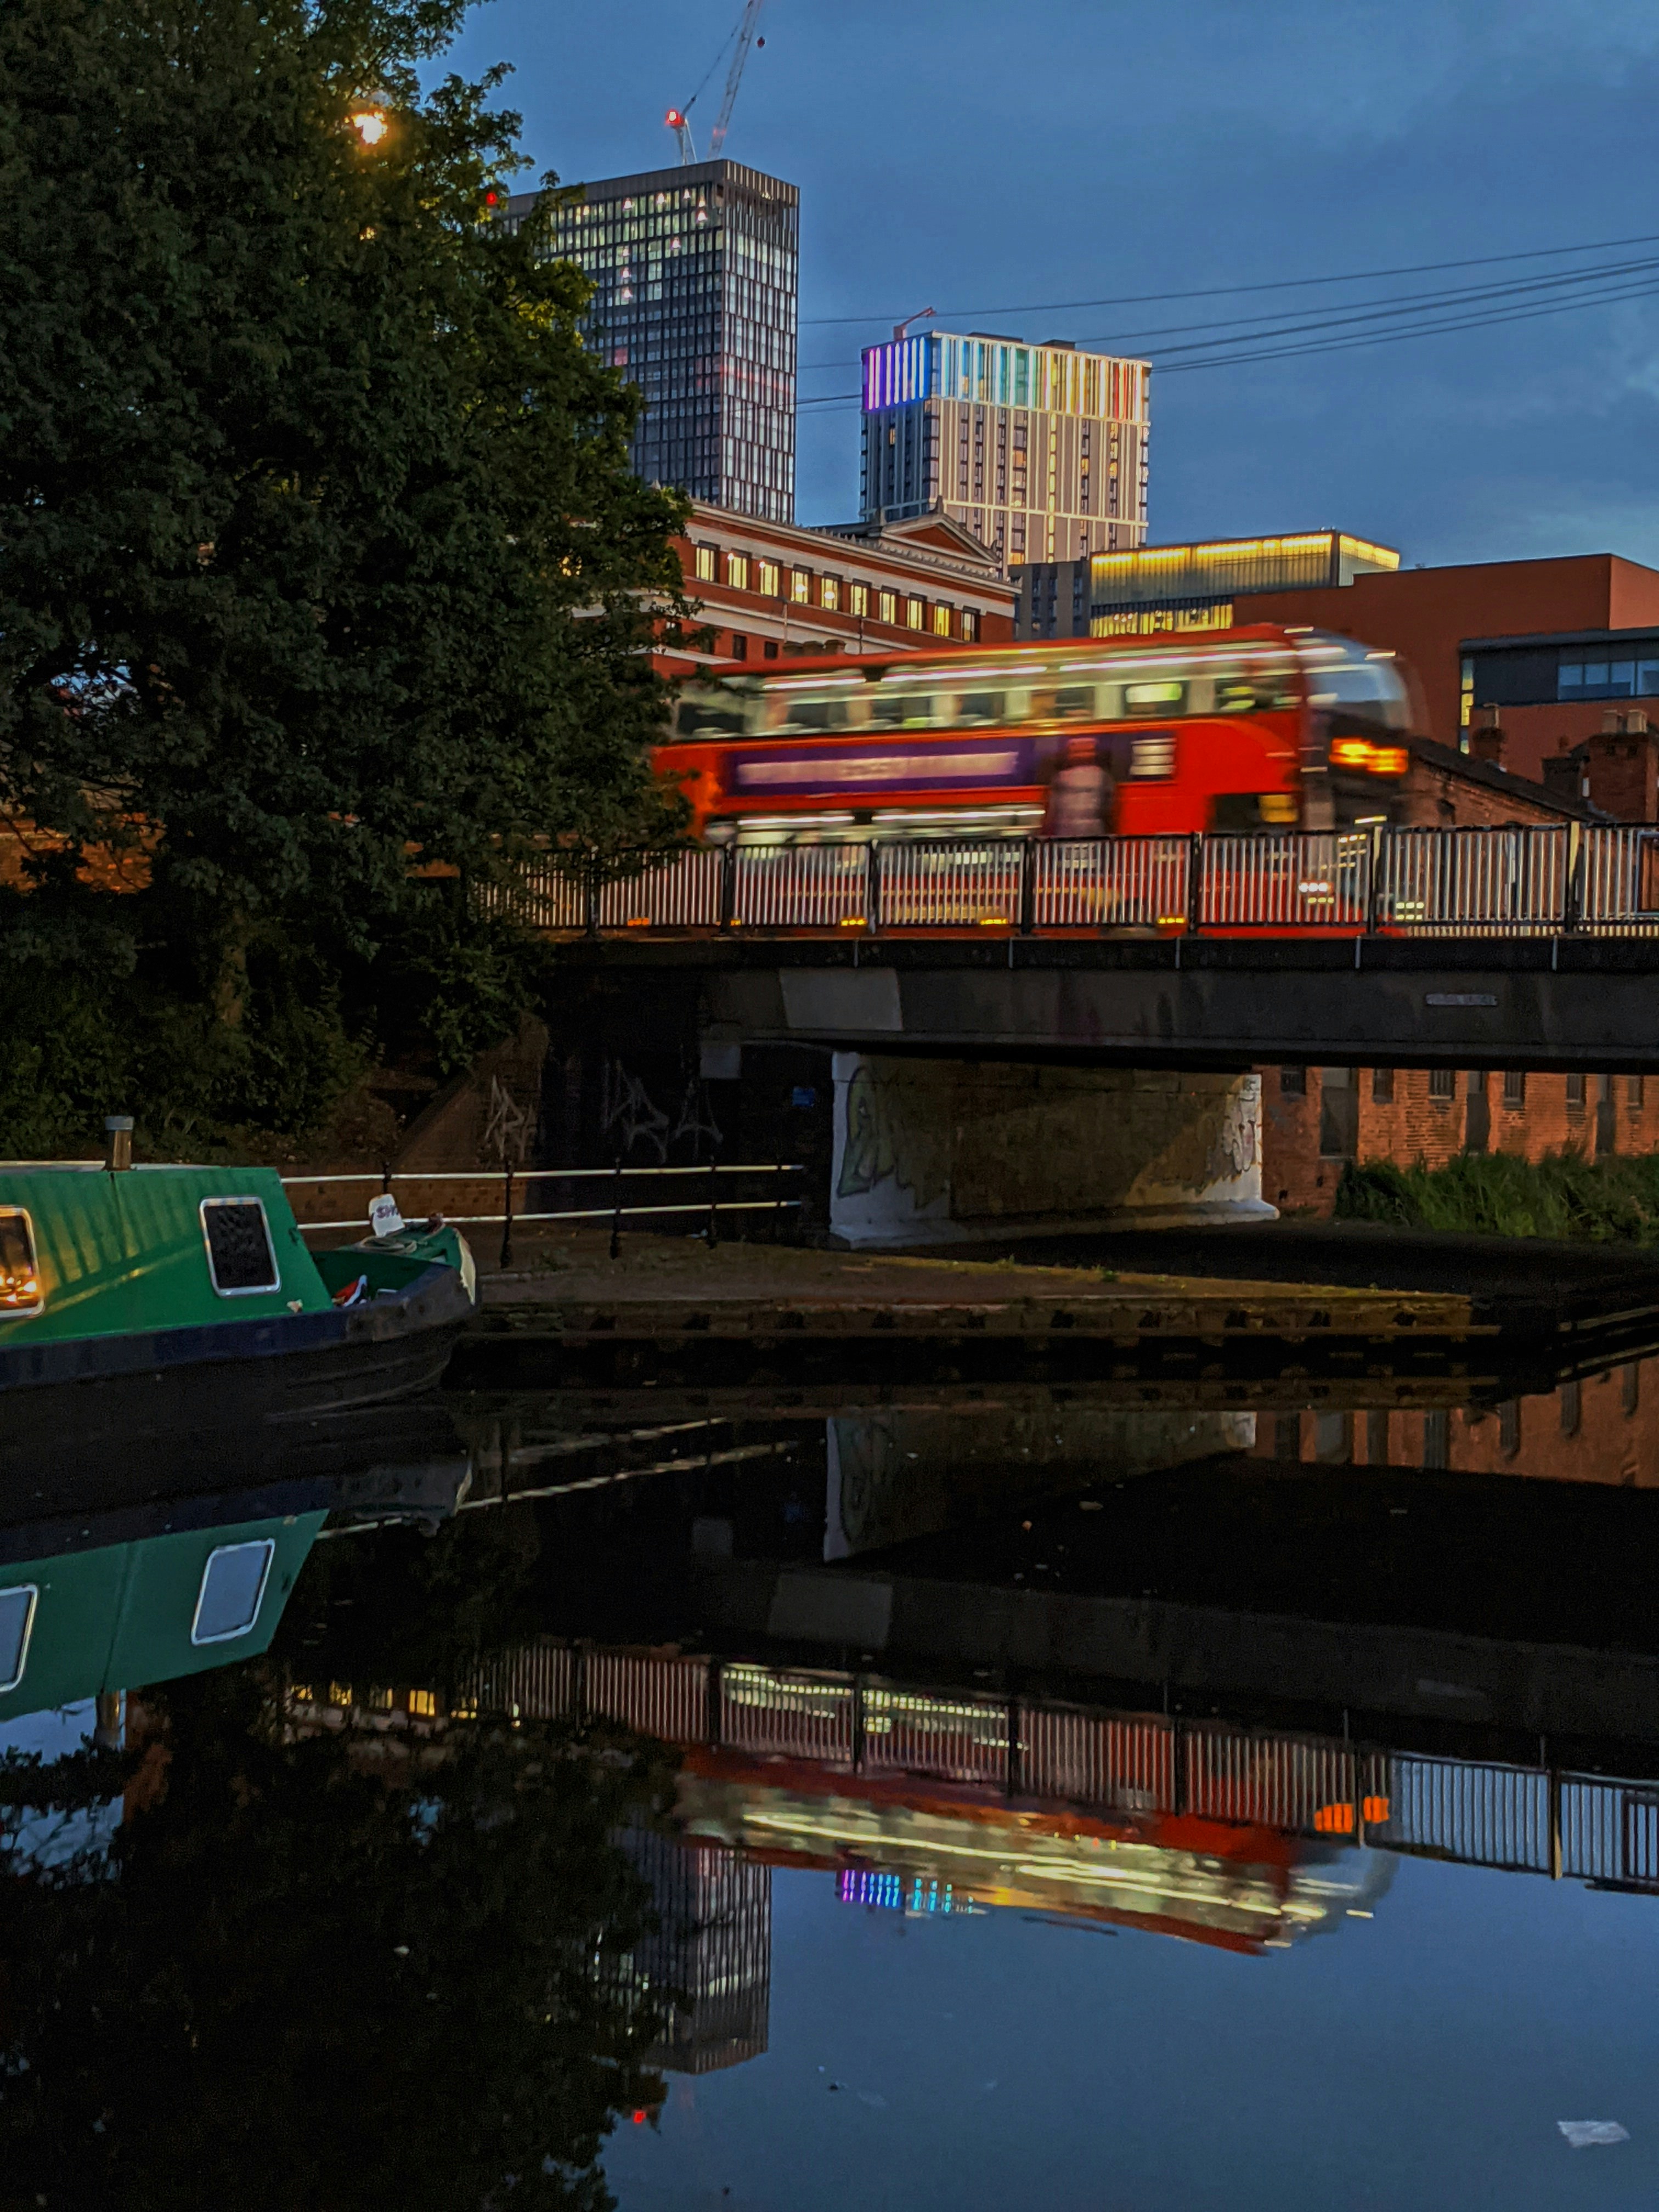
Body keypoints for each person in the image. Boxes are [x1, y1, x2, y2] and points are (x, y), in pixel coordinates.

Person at [1045, 734, 1114, 838]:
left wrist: (1045, 832)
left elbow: (1052, 812)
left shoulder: (1061, 778)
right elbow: (1109, 811)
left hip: (1066, 835)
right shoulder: (1103, 777)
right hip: (1094, 833)